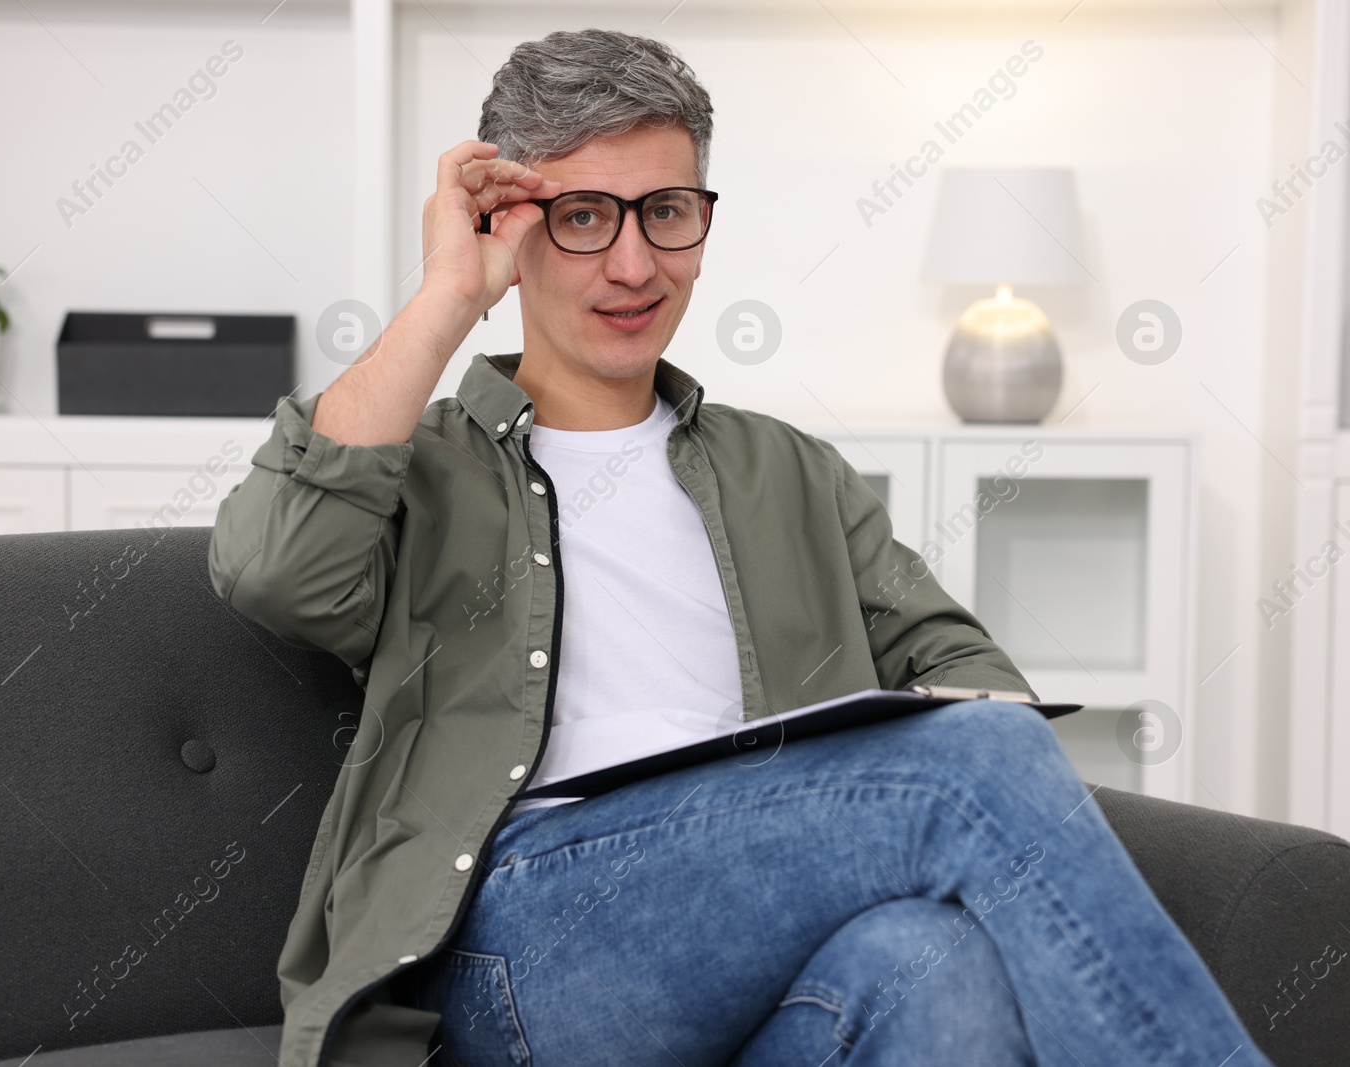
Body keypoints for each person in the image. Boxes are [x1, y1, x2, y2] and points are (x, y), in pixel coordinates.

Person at [208, 27, 1274, 1067]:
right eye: (583, 216)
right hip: (530, 944)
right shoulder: (420, 464)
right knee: (970, 773)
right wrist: (446, 294)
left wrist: (856, 768)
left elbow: (966, 674)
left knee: (932, 956)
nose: (634, 264)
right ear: (508, 225)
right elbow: (272, 567)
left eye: (665, 213)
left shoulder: (790, 471)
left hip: (761, 926)